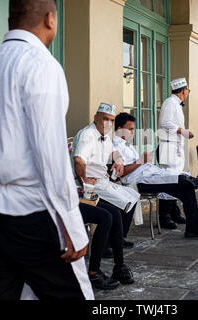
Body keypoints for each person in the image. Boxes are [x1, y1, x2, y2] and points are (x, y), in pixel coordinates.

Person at [0, 0, 93, 300]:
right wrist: (72, 224)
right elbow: (51, 154)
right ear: (50, 19)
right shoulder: (41, 64)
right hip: (28, 215)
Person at [114, 113, 198, 238]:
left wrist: (143, 161)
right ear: (119, 129)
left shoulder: (127, 144)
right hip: (139, 181)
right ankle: (191, 180)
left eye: (133, 129)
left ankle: (194, 229)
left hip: (148, 174)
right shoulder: (115, 146)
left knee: (187, 189)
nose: (132, 132)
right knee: (177, 179)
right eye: (130, 129)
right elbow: (120, 173)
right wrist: (140, 161)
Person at [73, 103, 138, 283]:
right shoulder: (88, 135)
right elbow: (78, 160)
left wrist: (118, 160)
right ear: (96, 118)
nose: (108, 124)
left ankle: (119, 265)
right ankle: (94, 271)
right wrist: (84, 181)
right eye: (105, 119)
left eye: (111, 120)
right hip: (86, 188)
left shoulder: (104, 136)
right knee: (109, 215)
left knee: (117, 211)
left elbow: (113, 151)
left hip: (101, 183)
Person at [157, 78, 194, 229]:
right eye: (188, 90)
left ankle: (174, 211)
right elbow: (165, 122)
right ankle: (164, 215)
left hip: (175, 147)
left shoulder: (175, 104)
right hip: (168, 147)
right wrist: (182, 131)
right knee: (168, 180)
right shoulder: (169, 103)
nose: (187, 93)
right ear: (184, 90)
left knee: (176, 178)